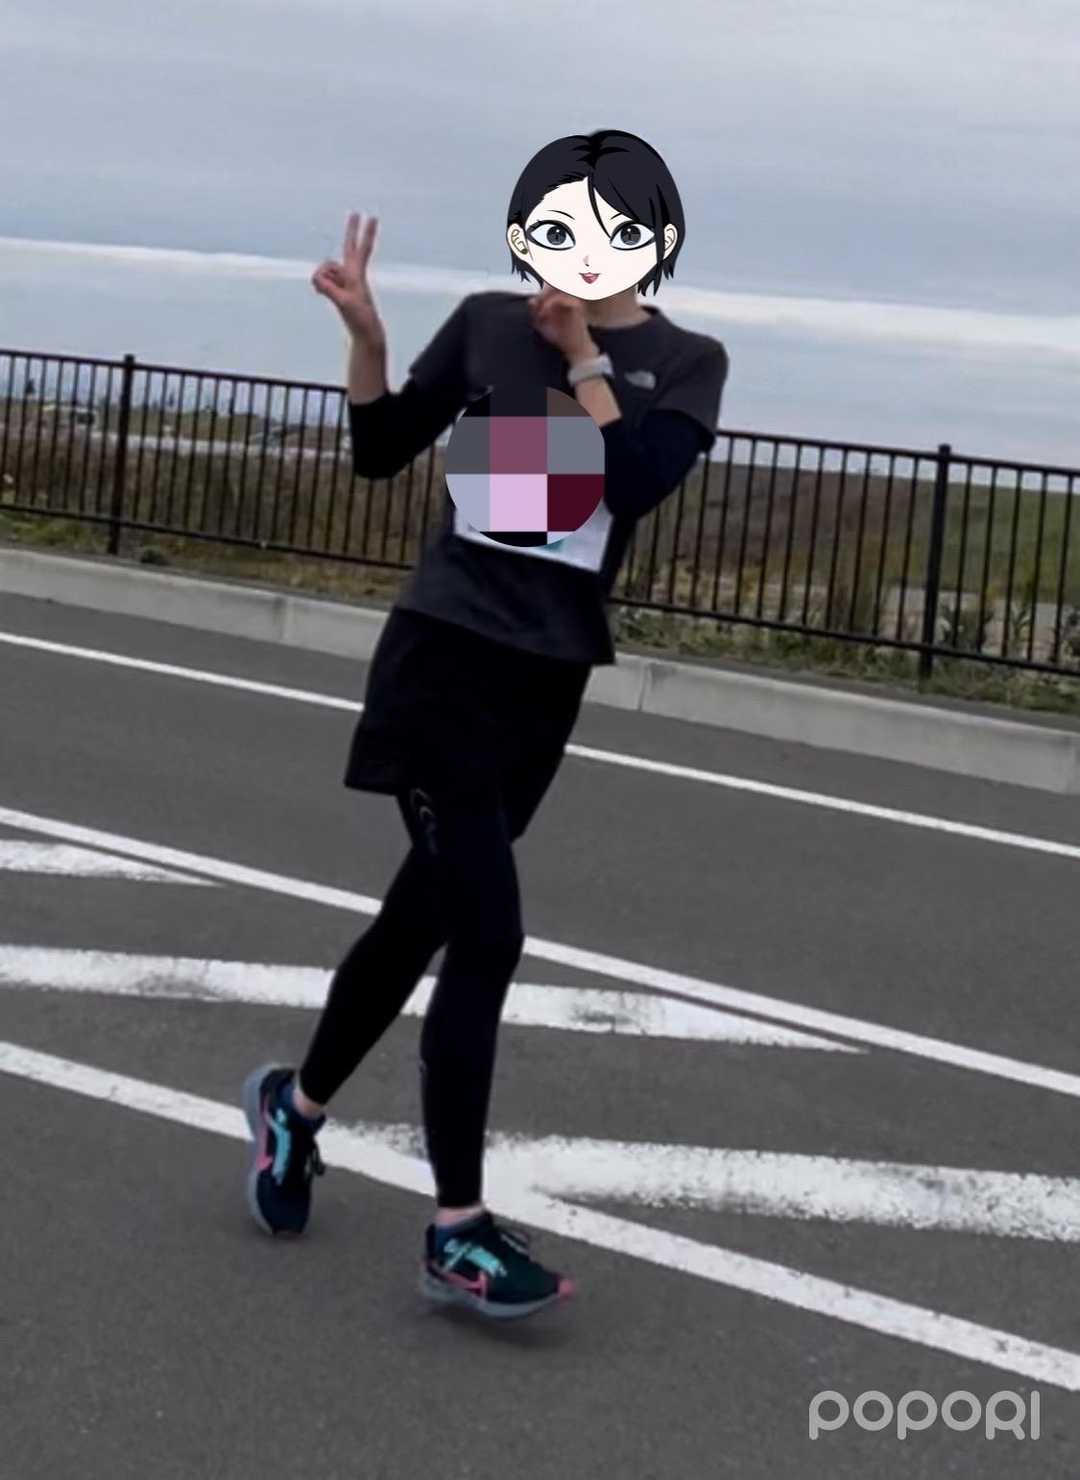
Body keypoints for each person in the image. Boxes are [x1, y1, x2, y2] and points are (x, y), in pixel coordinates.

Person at [242, 130, 729, 1320]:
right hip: (443, 659)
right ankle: (456, 1229)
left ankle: (293, 1109)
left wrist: (584, 360)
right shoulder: (485, 324)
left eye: (610, 230)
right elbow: (378, 452)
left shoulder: (685, 361)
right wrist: (368, 342)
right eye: (555, 227)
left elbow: (634, 483)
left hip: (545, 679)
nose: (578, 251)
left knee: (422, 916)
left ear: (654, 242)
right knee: (488, 933)